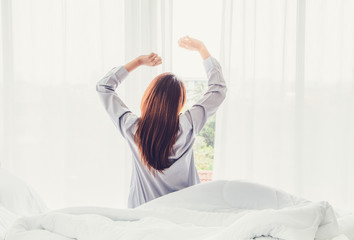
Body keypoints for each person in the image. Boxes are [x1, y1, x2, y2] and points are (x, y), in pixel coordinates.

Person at [96, 36, 227, 208]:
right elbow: (218, 88)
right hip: (186, 216)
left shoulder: (132, 128)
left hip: (142, 219)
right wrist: (201, 48)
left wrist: (139, 62)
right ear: (179, 104)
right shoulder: (188, 124)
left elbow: (104, 87)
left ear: (149, 98)